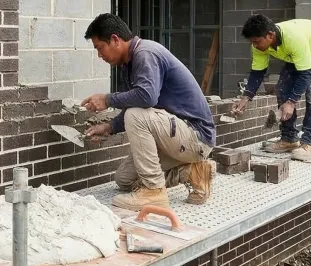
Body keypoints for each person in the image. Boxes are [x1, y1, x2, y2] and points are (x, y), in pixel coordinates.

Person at [79, 14, 217, 209]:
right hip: (175, 136)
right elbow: (140, 102)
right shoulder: (130, 63)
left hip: (196, 137)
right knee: (124, 179)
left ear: (115, 40)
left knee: (134, 115)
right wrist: (109, 127)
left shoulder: (146, 54)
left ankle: (154, 191)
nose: (99, 55)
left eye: (100, 48)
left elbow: (146, 98)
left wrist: (107, 99)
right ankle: (194, 173)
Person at [230, 14, 311, 161]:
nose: (255, 46)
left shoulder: (293, 38)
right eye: (252, 42)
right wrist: (245, 98)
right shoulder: (259, 46)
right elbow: (258, 73)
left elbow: (305, 74)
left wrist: (291, 102)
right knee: (283, 88)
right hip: (300, 52)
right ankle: (289, 139)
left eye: (257, 41)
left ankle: (310, 143)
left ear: (270, 35)